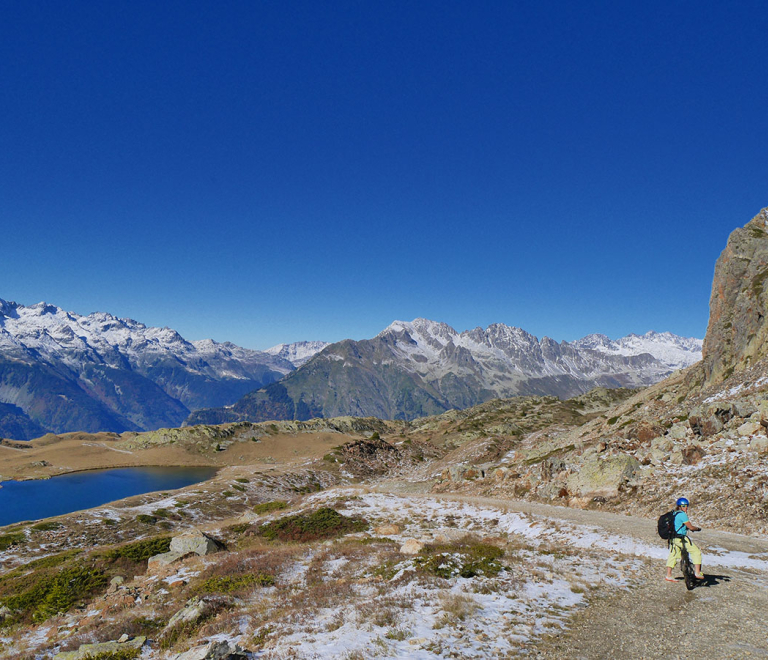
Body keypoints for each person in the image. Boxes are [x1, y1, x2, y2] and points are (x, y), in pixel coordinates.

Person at [665, 497, 705, 582]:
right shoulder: (682, 514)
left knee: (673, 555)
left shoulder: (674, 513)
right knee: (696, 551)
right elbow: (690, 527)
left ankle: (668, 575)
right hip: (680, 539)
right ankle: (697, 572)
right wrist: (697, 529)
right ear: (680, 506)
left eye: (686, 505)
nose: (686, 507)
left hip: (672, 538)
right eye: (684, 505)